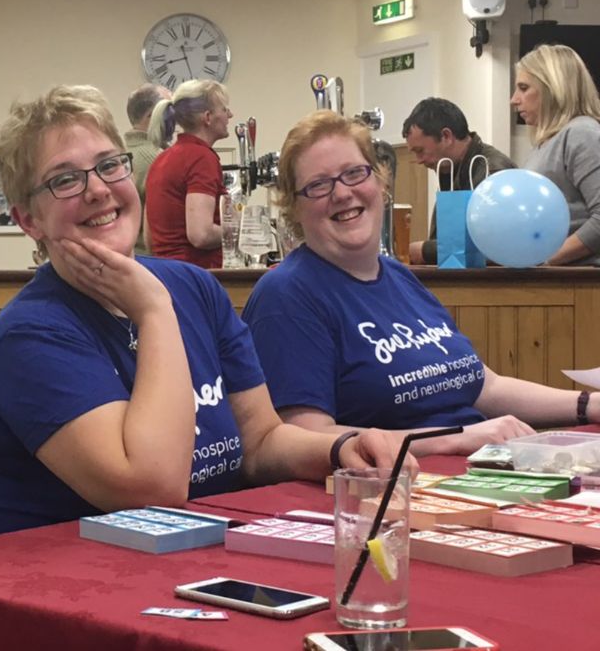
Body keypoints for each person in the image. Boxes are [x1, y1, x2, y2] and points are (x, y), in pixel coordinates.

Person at [0, 86, 414, 542]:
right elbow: (153, 489)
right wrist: (153, 311)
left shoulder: (193, 287)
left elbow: (261, 440)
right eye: (65, 179)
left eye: (109, 165)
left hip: (183, 566)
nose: (98, 190)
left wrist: (340, 447)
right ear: (29, 219)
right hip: (35, 587)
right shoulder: (31, 335)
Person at [242, 110, 600, 457]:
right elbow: (308, 437)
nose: (342, 193)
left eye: (354, 173)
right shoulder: (287, 295)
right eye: (318, 185)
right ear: (293, 207)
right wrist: (452, 438)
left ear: (379, 182)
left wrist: (588, 405)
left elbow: (485, 386)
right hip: (395, 486)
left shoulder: (398, 276)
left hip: (477, 467)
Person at [512, 43, 600, 266]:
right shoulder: (546, 142)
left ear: (553, 87)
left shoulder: (582, 134)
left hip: (581, 286)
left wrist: (547, 260)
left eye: (523, 88)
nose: (514, 99)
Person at [402, 98, 516, 265]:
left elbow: (495, 245)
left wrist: (426, 251)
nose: (418, 160)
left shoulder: (493, 173)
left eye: (420, 151)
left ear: (446, 136)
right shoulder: (450, 170)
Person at [144, 79, 230, 268]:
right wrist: (238, 232)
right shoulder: (201, 158)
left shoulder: (160, 160)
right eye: (224, 110)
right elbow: (201, 234)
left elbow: (149, 239)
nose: (230, 115)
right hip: (196, 275)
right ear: (207, 117)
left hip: (165, 273)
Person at [123, 83, 171, 254]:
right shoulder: (158, 160)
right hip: (150, 261)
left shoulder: (120, 153)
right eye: (169, 110)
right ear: (152, 116)